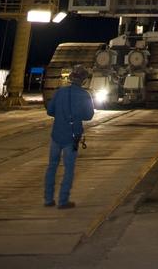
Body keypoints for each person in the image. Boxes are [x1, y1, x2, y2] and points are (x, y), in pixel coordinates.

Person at [44, 65, 95, 209]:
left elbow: (50, 111)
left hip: (56, 134)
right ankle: (63, 200)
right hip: (72, 136)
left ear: (71, 78)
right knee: (68, 169)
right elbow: (89, 116)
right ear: (83, 80)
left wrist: (61, 115)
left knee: (52, 167)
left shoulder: (60, 92)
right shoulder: (85, 95)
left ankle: (48, 199)